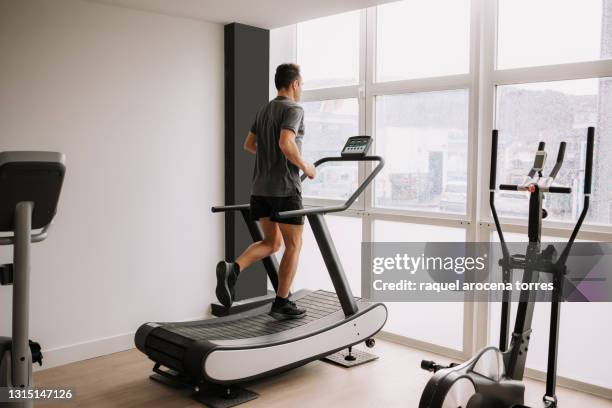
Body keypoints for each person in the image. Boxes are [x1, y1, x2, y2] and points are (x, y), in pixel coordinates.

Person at [216, 63, 316, 320]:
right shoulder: (294, 108)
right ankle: (282, 302)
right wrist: (305, 165)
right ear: (294, 84)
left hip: (260, 188)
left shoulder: (264, 110)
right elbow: (286, 142)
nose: (301, 88)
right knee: (294, 245)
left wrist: (269, 155)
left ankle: (234, 268)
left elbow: (249, 144)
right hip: (284, 189)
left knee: (272, 243)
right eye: (301, 84)